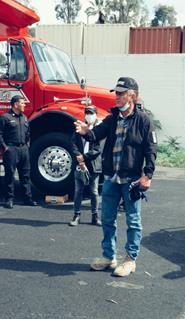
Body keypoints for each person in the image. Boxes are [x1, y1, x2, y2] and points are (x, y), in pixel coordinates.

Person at [74, 77, 157, 277]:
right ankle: (109, 257)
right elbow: (97, 134)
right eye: (116, 93)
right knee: (107, 219)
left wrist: (148, 175)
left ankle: (130, 260)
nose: (117, 97)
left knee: (133, 221)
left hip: (131, 181)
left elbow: (151, 149)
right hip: (111, 178)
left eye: (121, 93)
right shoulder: (112, 119)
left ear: (132, 96)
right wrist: (86, 132)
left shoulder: (144, 121)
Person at [0, 95, 38, 209]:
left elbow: (28, 133)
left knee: (25, 176)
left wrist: (27, 145)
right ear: (15, 104)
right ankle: (9, 199)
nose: (24, 105)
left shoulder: (24, 118)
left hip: (23, 150)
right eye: (22, 103)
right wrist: (5, 148)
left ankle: (27, 198)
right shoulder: (5, 117)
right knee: (10, 175)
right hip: (11, 149)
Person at [69, 105, 103, 227]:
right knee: (78, 190)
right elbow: (72, 142)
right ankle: (76, 215)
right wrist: (78, 155)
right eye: (87, 113)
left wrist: (85, 157)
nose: (89, 115)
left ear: (96, 114)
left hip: (93, 164)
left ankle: (95, 216)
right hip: (79, 164)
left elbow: (98, 149)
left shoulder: (99, 129)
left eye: (91, 113)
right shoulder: (80, 128)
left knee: (94, 191)